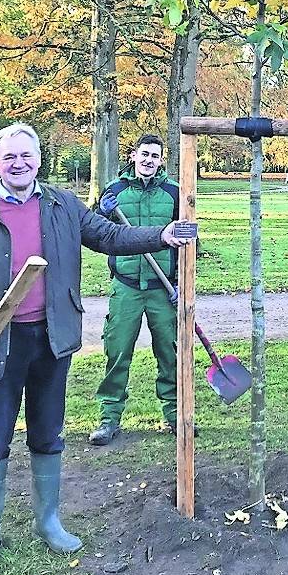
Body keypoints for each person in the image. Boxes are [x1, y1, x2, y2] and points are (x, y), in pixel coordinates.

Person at [0, 123, 190, 570]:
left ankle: (48, 522)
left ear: (39, 160)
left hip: (52, 339)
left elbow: (109, 237)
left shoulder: (62, 206)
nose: (19, 164)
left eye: (26, 156)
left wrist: (161, 235)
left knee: (48, 430)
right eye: (9, 157)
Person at [88, 134, 182, 446]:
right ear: (133, 155)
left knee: (169, 352)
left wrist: (181, 283)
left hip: (162, 289)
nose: (148, 160)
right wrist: (103, 210)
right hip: (126, 286)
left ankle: (174, 415)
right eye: (144, 154)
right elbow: (94, 230)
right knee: (117, 352)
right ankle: (109, 418)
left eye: (155, 156)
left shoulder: (174, 194)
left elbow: (188, 240)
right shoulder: (115, 191)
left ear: (160, 161)